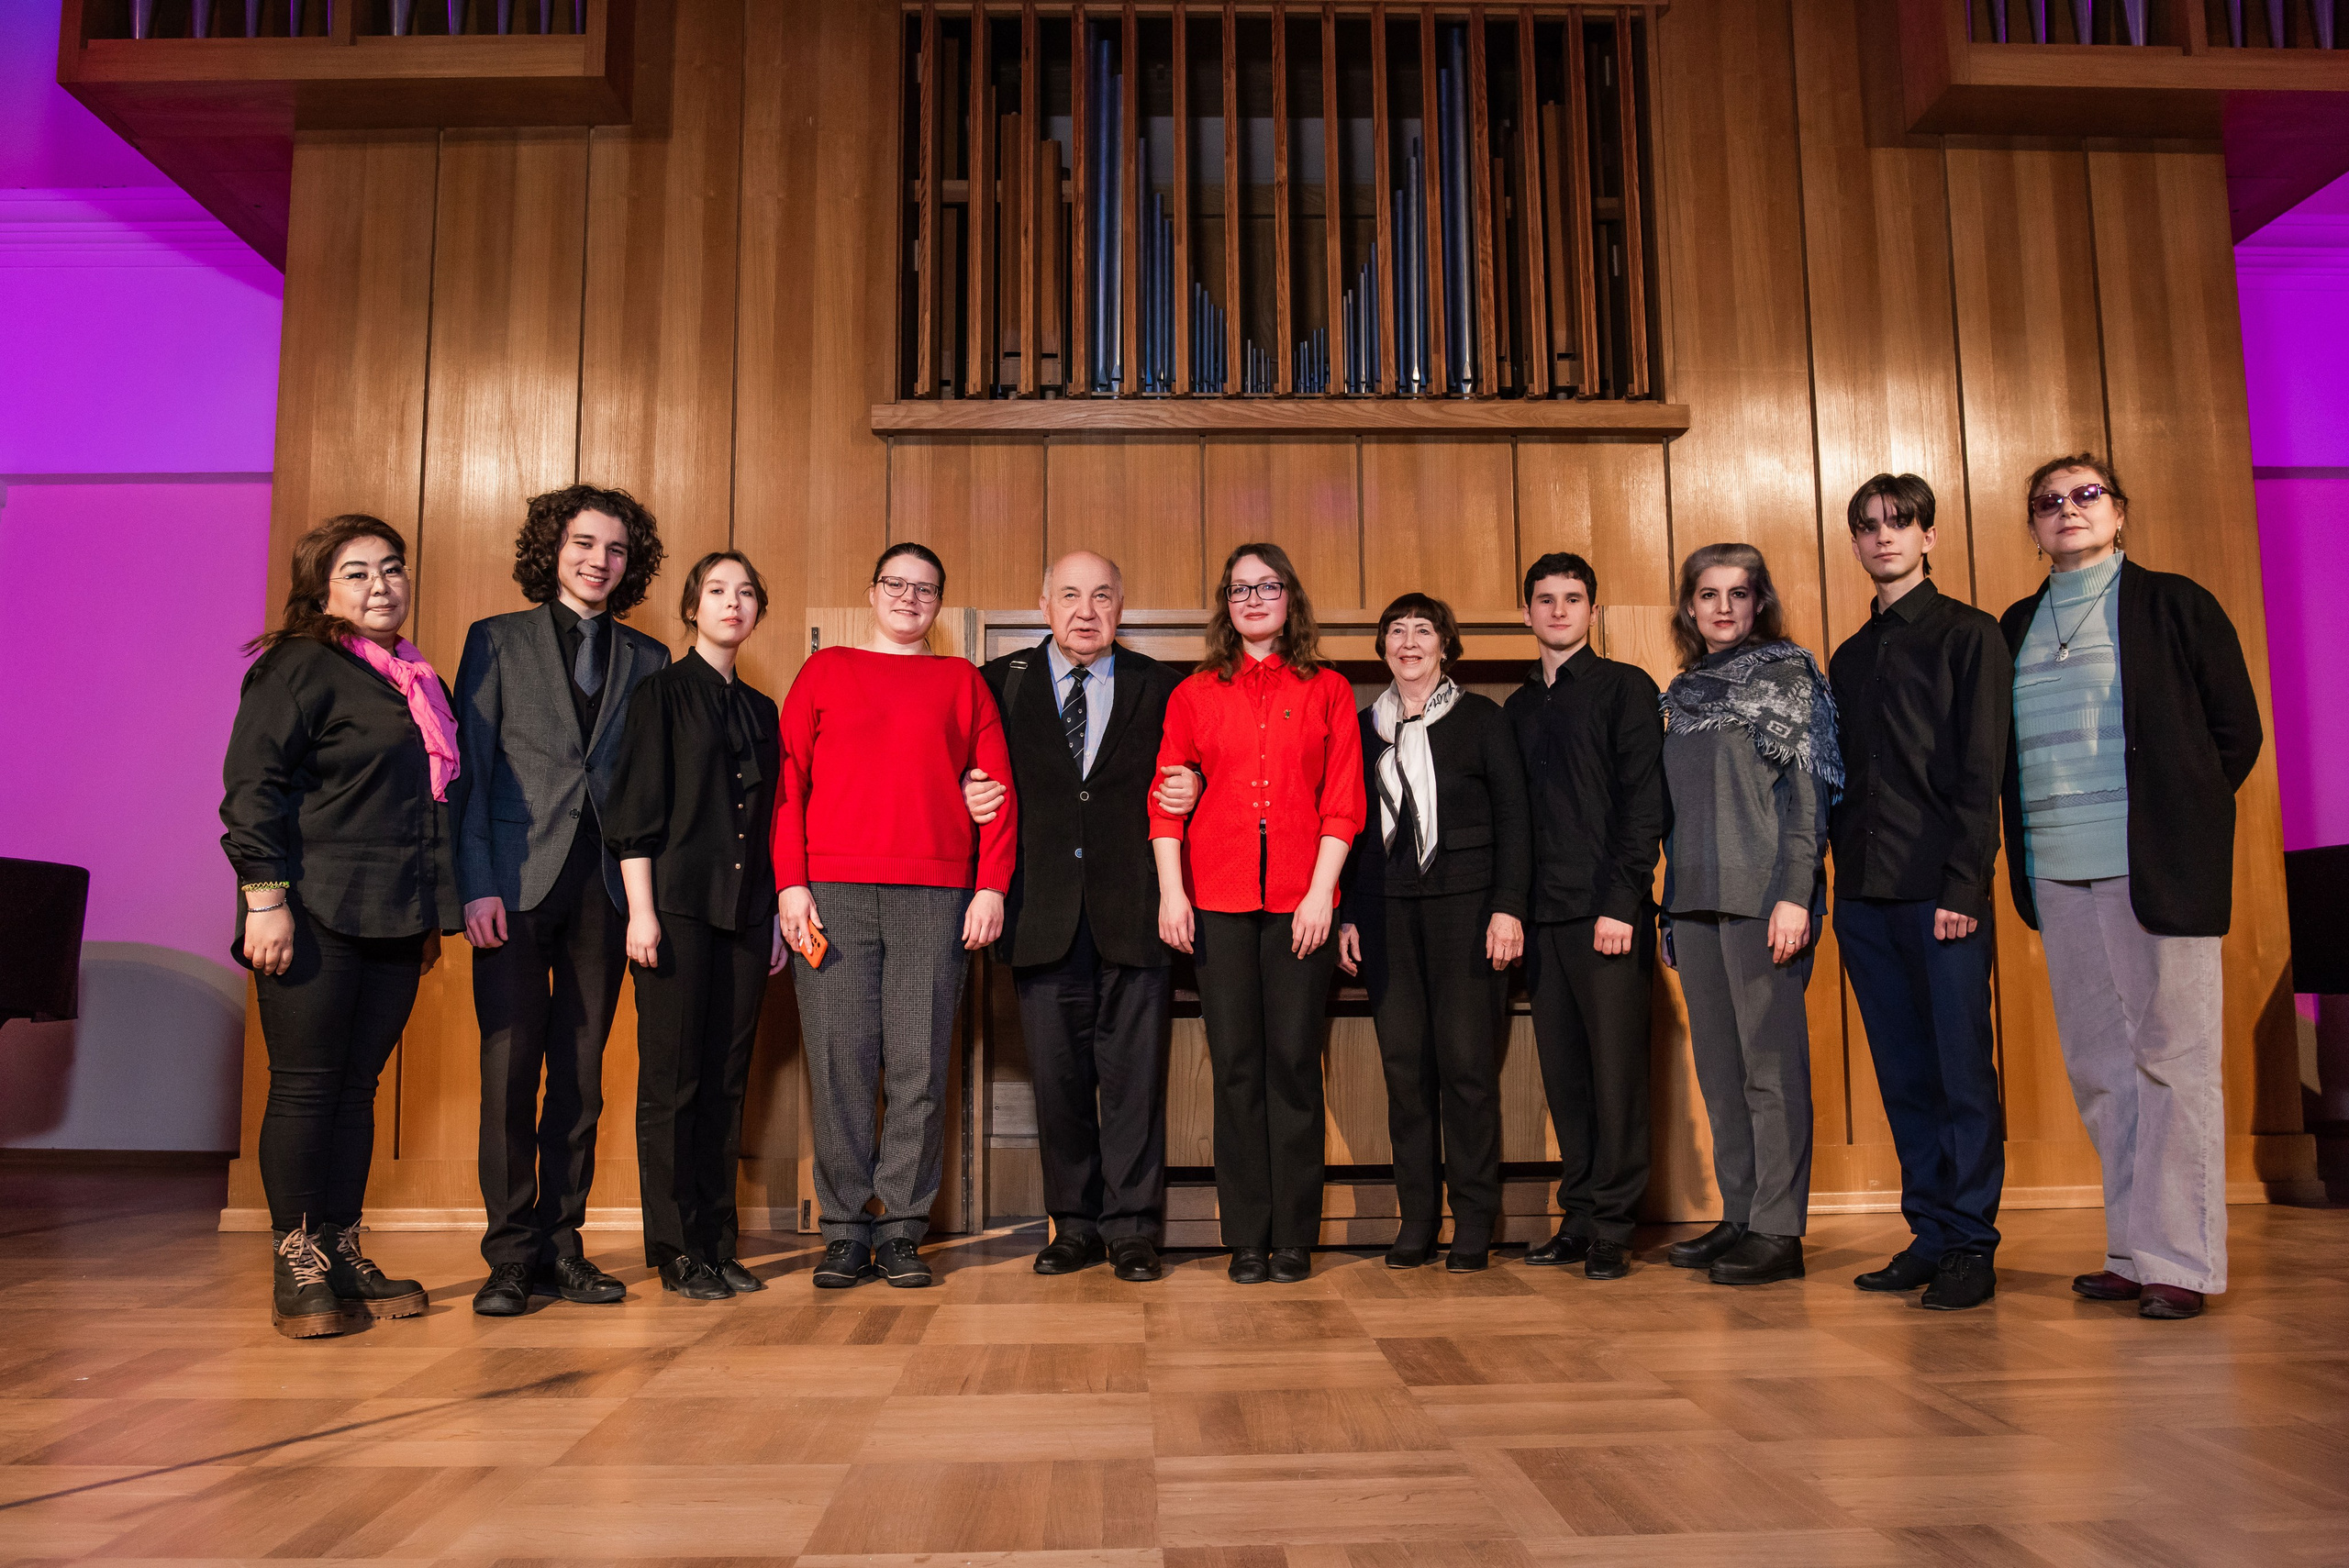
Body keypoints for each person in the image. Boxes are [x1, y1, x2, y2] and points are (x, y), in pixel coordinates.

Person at [2001, 454, 2263, 1321]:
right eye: (2049, 502)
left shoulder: (2173, 603)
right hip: (2058, 868)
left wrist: (2174, 817)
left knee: (2173, 1059)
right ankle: (2129, 1246)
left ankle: (2180, 1261)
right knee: (2103, 1066)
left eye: (2086, 495)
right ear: (2034, 525)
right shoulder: (2017, 623)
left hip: (2153, 868)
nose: (2067, 510)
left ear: (2119, 510)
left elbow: (2236, 731)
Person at [221, 516, 461, 1339]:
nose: (380, 586)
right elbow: (253, 789)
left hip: (395, 913)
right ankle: (297, 1257)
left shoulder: (413, 677)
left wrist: (432, 912)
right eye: (356, 573)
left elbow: (427, 808)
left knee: (357, 1090)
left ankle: (340, 1242)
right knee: (306, 1085)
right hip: (310, 910)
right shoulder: (295, 667)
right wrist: (265, 896)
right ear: (320, 589)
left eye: (391, 569)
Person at [775, 542, 1018, 1290]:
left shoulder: (962, 682)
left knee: (918, 1062)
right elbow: (789, 782)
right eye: (897, 584)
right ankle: (846, 1228)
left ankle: (904, 1228)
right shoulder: (824, 671)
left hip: (937, 894)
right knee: (839, 1061)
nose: (910, 597)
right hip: (834, 892)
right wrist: (791, 886)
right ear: (872, 591)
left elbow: (998, 791)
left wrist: (991, 886)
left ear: (939, 603)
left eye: (926, 588)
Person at [452, 484, 669, 1317]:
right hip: (509, 883)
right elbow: (468, 770)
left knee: (580, 1078)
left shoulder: (647, 659)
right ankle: (508, 1256)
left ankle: (562, 1244)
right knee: (509, 1075)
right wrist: (474, 882)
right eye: (584, 543)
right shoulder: (496, 640)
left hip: (605, 890)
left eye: (615, 549)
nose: (599, 561)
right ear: (553, 548)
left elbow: (644, 787)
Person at [963, 552, 1193, 1284]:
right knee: (1058, 1083)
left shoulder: (1164, 686)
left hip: (1136, 912)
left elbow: (1193, 772)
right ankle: (1076, 1224)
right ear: (1043, 604)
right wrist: (966, 791)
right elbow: (965, 772)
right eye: (1070, 595)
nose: (1085, 610)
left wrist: (1197, 781)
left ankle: (1133, 1229)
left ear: (1121, 607)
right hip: (1042, 912)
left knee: (1134, 1082)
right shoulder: (1000, 685)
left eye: (1101, 596)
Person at [1150, 542, 1365, 1285]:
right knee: (1236, 1070)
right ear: (1225, 602)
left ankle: (1295, 1236)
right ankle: (1246, 1234)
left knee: (1295, 1069)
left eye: (1267, 585)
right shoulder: (1195, 692)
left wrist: (1320, 894)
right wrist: (1172, 893)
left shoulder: (1329, 689)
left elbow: (1343, 802)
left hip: (1301, 906)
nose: (1252, 598)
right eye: (1239, 588)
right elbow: (1165, 798)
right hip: (1216, 904)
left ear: (1289, 598)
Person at [1831, 475, 2013, 1312]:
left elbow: (1983, 774)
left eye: (1899, 524)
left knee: (1961, 1073)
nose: (1883, 538)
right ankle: (1931, 1233)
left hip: (1942, 895)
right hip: (1865, 897)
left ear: (1928, 536)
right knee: (1904, 1074)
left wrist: (1964, 885)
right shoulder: (1850, 654)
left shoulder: (1970, 636)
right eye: (1868, 528)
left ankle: (1972, 1242)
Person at [605, 552, 785, 1302]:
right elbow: (635, 816)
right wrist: (640, 912)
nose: (732, 603)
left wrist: (774, 914)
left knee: (725, 1082)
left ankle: (718, 1241)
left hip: (746, 915)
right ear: (692, 607)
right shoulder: (660, 694)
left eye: (746, 592)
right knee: (672, 1084)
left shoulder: (761, 709)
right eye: (717, 591)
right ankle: (677, 1248)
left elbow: (772, 821)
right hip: (673, 910)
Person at [1658, 542, 1839, 1287]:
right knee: (1722, 1071)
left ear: (1758, 600)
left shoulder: (1789, 677)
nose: (1723, 607)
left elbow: (1809, 800)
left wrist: (1796, 893)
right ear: (1690, 606)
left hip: (1764, 900)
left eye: (1738, 593)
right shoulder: (1681, 690)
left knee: (1772, 1070)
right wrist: (1668, 906)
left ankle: (1777, 1228)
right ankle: (1739, 1212)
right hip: (1693, 899)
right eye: (1708, 594)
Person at [1336, 594, 1529, 1273]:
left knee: (1467, 1069)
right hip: (1387, 913)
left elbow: (1515, 819)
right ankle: (1417, 1218)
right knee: (1405, 1073)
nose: (1409, 641)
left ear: (1445, 644)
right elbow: (1353, 831)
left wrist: (1509, 906)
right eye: (1397, 631)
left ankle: (1474, 1217)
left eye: (1423, 630)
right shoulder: (1363, 728)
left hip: (1470, 913)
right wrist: (1350, 914)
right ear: (1383, 647)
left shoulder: (1482, 719)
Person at [1504, 552, 1665, 1281]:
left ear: (1591, 611)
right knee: (1566, 1078)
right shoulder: (1516, 707)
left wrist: (1621, 902)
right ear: (1528, 612)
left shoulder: (1626, 689)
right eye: (1546, 599)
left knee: (1616, 1077)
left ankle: (1613, 1225)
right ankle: (1577, 1214)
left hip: (1608, 917)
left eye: (1573, 598)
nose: (1559, 610)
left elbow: (1644, 805)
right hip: (1542, 922)